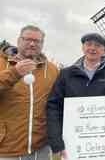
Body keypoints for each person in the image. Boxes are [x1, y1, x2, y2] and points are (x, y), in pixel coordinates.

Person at [47, 33, 105, 158]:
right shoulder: (66, 74)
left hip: (103, 141)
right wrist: (56, 141)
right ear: (83, 47)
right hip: (71, 140)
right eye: (88, 44)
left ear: (103, 51)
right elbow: (53, 107)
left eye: (97, 46)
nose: (92, 48)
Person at [0, 25, 59, 159]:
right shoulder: (1, 64)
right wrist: (14, 73)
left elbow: (57, 102)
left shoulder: (52, 70)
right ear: (18, 40)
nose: (32, 44)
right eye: (27, 39)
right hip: (6, 149)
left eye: (37, 41)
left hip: (41, 149)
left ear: (42, 44)